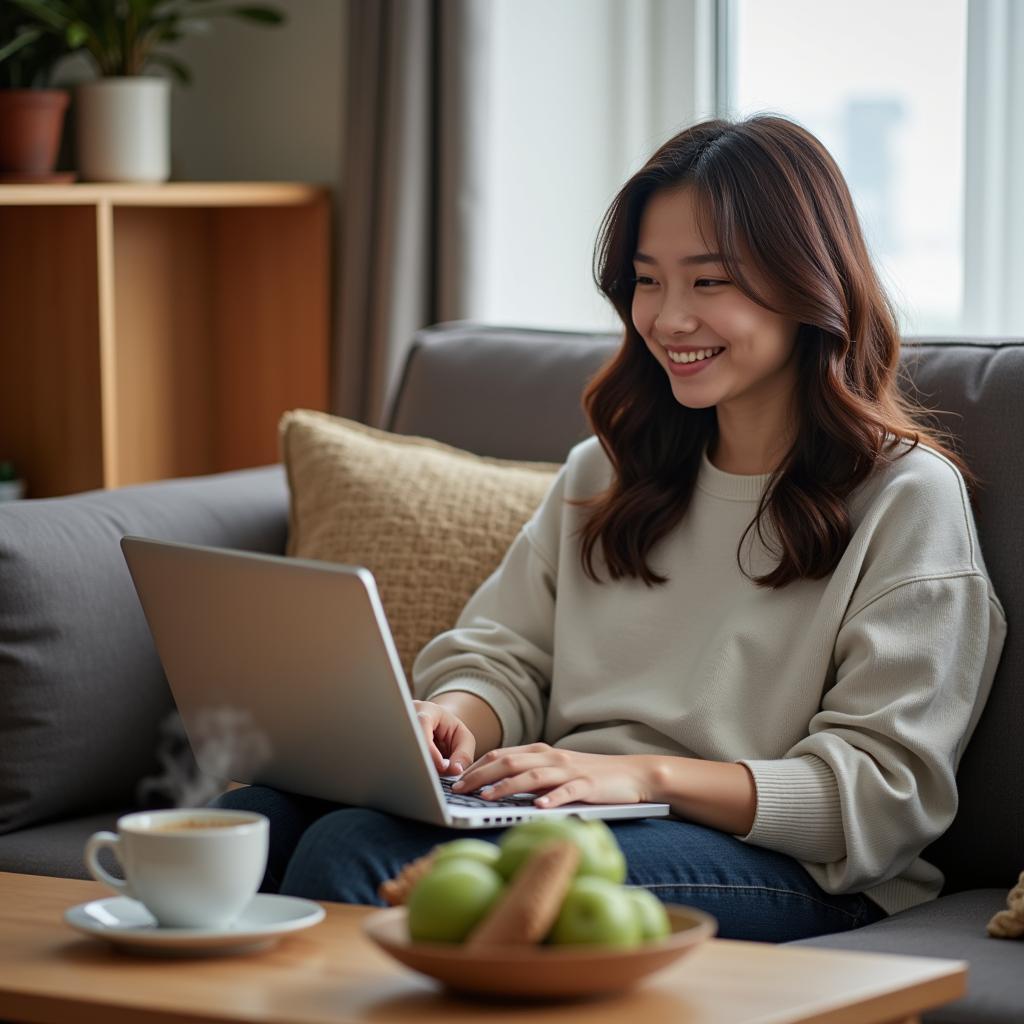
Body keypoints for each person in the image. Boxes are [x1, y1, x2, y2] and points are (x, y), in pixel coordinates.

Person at [213, 115, 1006, 942]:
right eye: (646, 281)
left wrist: (637, 777)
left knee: (358, 851)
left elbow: (881, 794)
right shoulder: (608, 470)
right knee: (257, 819)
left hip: (791, 866)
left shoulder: (905, 497)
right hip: (577, 808)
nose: (667, 320)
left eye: (709, 282)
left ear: (809, 283)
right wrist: (455, 716)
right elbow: (504, 654)